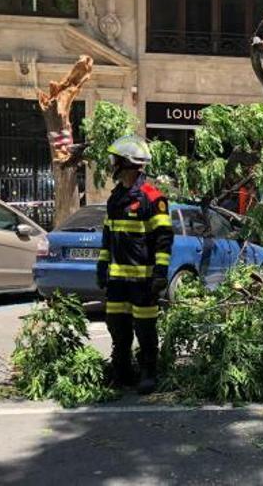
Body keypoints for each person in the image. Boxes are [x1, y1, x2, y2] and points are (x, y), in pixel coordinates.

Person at [97, 135, 174, 395]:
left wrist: (160, 274)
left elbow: (164, 239)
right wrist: (102, 264)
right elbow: (109, 234)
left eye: (115, 160)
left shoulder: (153, 198)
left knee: (145, 329)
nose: (111, 164)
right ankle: (122, 372)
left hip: (143, 280)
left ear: (127, 163)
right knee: (118, 328)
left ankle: (149, 372)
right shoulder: (116, 198)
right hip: (118, 280)